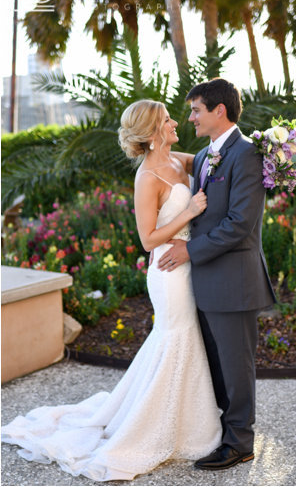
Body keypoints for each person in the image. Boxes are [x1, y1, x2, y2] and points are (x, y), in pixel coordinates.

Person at [1, 99, 221, 481]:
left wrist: (265, 151)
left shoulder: (176, 160)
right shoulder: (148, 177)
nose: (175, 124)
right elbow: (148, 240)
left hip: (187, 265)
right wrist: (189, 213)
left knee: (179, 341)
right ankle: (155, 428)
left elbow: (209, 157)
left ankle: (185, 422)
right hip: (167, 270)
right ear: (153, 133)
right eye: (168, 120)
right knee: (176, 340)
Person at [156, 78, 276, 471]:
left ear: (218, 110)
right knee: (216, 366)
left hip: (235, 282)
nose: (190, 117)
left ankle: (240, 443)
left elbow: (240, 223)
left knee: (237, 366)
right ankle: (221, 435)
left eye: (195, 110)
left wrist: (188, 250)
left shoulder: (247, 154)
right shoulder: (208, 155)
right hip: (205, 282)